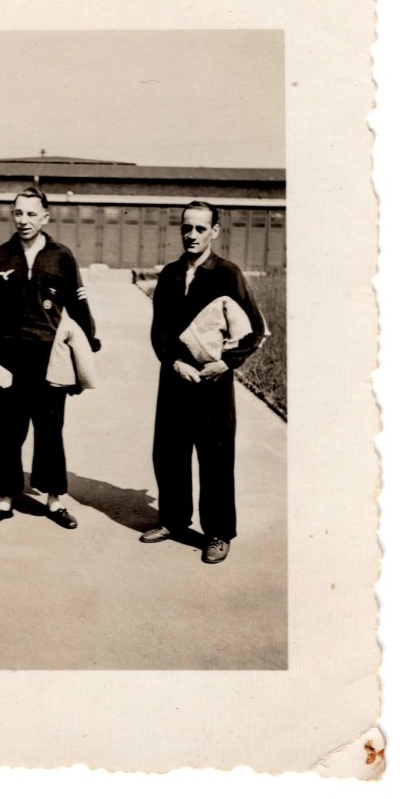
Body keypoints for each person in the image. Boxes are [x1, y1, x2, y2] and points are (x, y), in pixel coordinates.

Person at [141, 201, 267, 563]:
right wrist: (174, 362)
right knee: (169, 453)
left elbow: (253, 331)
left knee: (215, 457)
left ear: (214, 231)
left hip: (213, 384)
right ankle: (174, 521)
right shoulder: (169, 275)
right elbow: (160, 329)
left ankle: (217, 534)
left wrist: (225, 364)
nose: (191, 235)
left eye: (200, 228)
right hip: (175, 379)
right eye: (186, 228)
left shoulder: (227, 274)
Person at [0, 186, 100, 529]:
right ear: (12, 215)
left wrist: (86, 348)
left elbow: (79, 305)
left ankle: (54, 500)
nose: (24, 220)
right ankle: (3, 499)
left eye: (31, 214)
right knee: (5, 431)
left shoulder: (62, 256)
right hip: (8, 357)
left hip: (51, 356)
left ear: (45, 217)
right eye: (18, 213)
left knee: (50, 430)